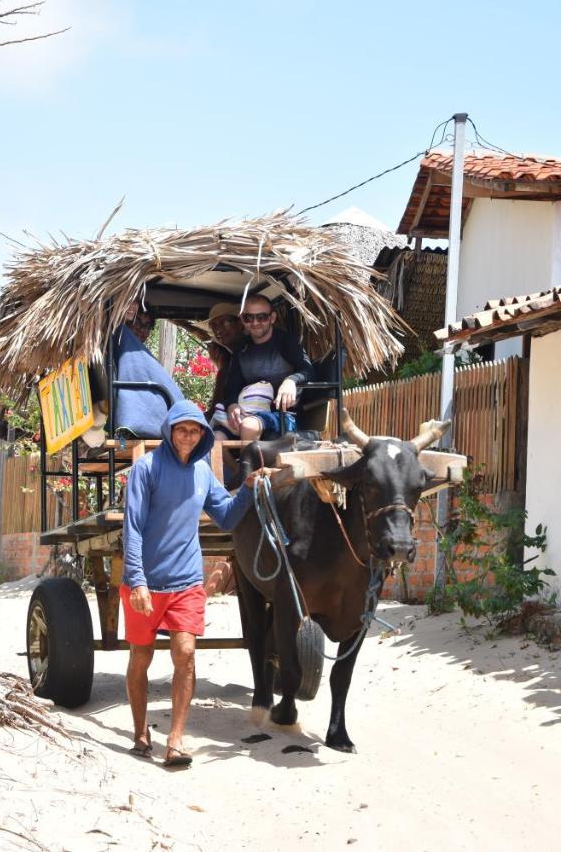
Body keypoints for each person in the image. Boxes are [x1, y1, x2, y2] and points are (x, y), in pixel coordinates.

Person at [122, 400, 256, 768]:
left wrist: (246, 488)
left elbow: (226, 518)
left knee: (185, 654)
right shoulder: (146, 469)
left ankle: (176, 741)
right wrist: (137, 581)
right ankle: (140, 733)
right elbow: (131, 527)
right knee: (141, 656)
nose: (188, 435)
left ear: (202, 436)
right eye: (182, 429)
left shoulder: (201, 473)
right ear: (168, 431)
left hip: (186, 581)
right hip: (145, 581)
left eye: (195, 430)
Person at [219, 294, 315, 440]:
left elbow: (308, 370)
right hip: (248, 411)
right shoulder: (241, 349)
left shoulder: (285, 342)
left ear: (272, 318)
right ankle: (236, 464)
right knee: (215, 438)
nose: (255, 322)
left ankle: (248, 463)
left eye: (262, 317)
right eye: (248, 318)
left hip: (283, 416)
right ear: (242, 320)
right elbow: (232, 386)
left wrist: (291, 381)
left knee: (249, 426)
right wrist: (232, 405)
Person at [109, 304, 184, 438]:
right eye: (136, 322)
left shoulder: (145, 358)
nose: (141, 329)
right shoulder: (118, 345)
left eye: (147, 325)